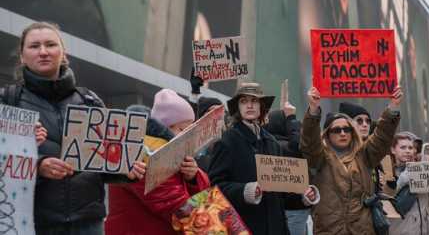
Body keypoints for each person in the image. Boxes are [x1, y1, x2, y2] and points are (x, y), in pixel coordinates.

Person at [0, 22, 145, 235]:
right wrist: (37, 165)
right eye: (34, 46)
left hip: (88, 223)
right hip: (32, 223)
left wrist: (125, 168)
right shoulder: (8, 102)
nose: (43, 52)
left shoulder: (90, 101)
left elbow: (103, 164)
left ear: (63, 53)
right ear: (22, 56)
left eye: (50, 44)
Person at [209, 82, 319, 235]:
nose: (249, 105)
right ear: (238, 108)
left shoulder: (272, 142)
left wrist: (303, 195)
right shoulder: (227, 141)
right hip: (243, 227)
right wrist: (246, 190)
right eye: (244, 101)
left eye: (254, 101)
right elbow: (215, 188)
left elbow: (282, 194)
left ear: (261, 107)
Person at [300, 86, 402, 235]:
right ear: (328, 134)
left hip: (362, 230)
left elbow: (381, 137)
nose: (342, 133)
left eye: (346, 129)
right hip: (329, 230)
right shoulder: (320, 158)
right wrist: (313, 109)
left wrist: (393, 107)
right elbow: (309, 142)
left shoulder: (364, 156)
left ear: (352, 132)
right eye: (336, 130)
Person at [106, 97, 210, 235]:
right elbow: (174, 205)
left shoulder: (169, 153)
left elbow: (200, 196)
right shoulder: (144, 153)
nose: (187, 137)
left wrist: (192, 177)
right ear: (166, 127)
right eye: (182, 129)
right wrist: (221, 228)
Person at [264, 102, 311, 235]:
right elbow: (297, 146)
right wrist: (292, 119)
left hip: (273, 208)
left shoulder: (264, 146)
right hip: (295, 207)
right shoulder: (283, 146)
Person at [388, 134, 429, 235]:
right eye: (403, 147)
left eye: (410, 148)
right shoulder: (387, 172)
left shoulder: (422, 171)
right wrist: (403, 179)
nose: (408, 151)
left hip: (425, 230)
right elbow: (386, 200)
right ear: (393, 150)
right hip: (401, 230)